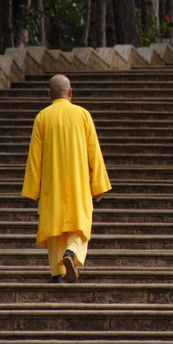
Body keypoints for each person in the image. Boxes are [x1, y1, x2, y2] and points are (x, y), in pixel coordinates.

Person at [22, 73, 111, 283]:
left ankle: (56, 274)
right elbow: (94, 152)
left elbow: (34, 158)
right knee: (79, 223)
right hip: (78, 183)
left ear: (49, 94)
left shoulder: (42, 117)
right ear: (70, 93)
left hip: (51, 184)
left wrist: (31, 190)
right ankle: (70, 253)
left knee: (54, 227)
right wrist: (98, 185)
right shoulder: (83, 115)